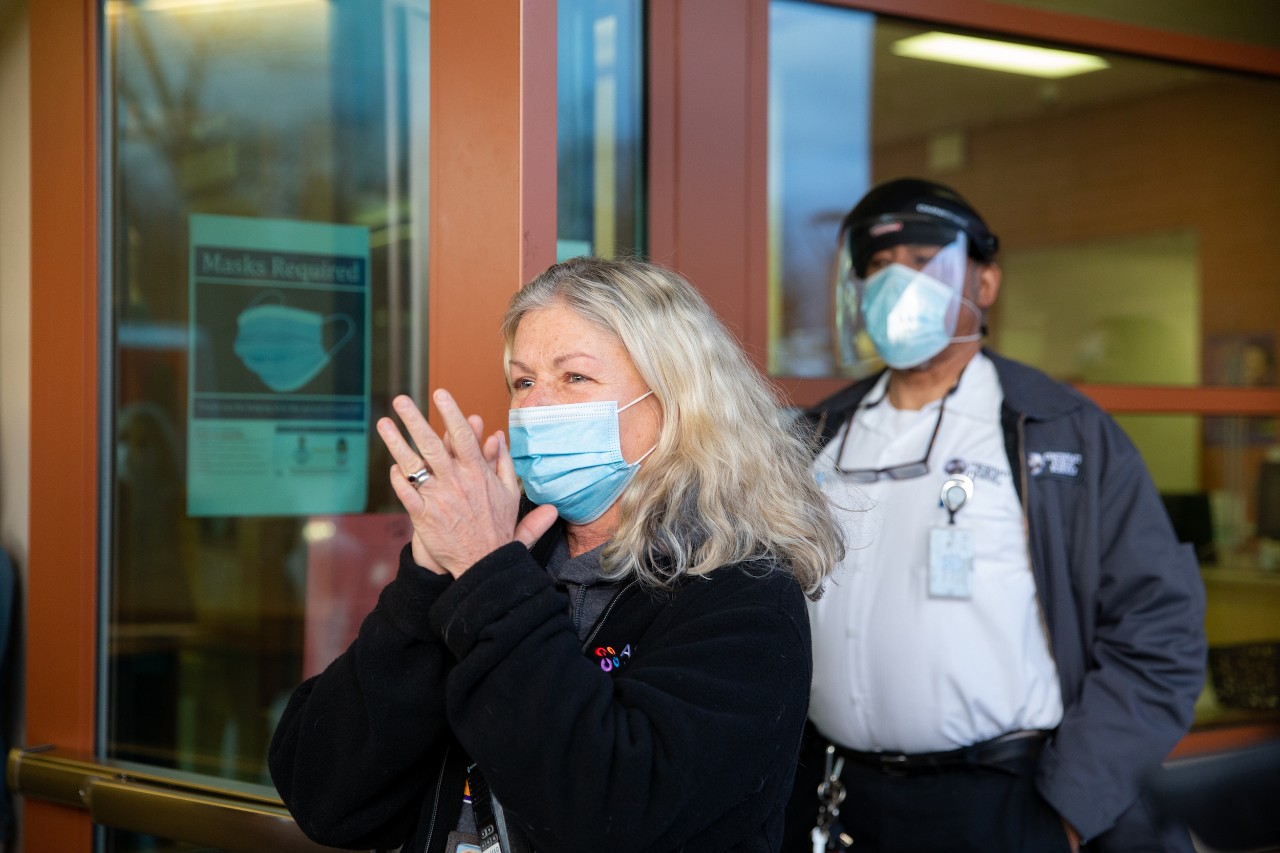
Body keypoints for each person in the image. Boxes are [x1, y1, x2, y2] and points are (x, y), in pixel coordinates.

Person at [269, 256, 844, 853]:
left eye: (574, 378)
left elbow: (610, 814)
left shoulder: (741, 594)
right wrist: (425, 583)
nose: (535, 407)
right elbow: (325, 796)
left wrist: (488, 581)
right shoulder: (501, 559)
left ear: (675, 402)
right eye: (522, 381)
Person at [783, 178, 1207, 852]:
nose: (898, 284)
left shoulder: (1059, 432)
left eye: (923, 262)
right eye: (879, 268)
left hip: (1006, 803)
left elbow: (1160, 629)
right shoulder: (815, 437)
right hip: (839, 798)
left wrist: (1069, 810)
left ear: (984, 282)